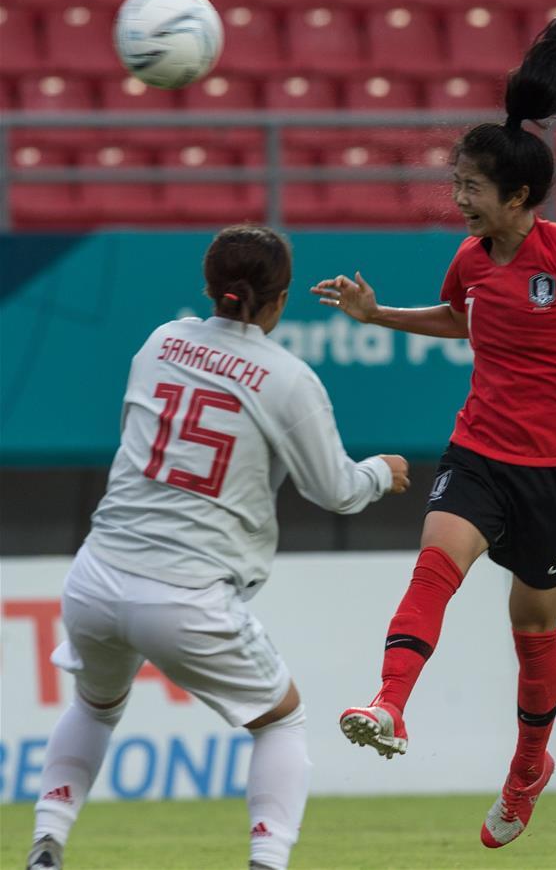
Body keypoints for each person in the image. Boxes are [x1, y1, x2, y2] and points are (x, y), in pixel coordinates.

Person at [311, 0, 556, 849]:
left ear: (519, 196)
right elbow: (461, 319)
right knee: (435, 561)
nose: (459, 201)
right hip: (480, 448)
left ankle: (527, 771)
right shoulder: (472, 260)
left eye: (472, 190)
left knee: (533, 629)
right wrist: (379, 317)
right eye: (457, 186)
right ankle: (389, 703)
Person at [26, 225, 410, 870]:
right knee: (280, 721)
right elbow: (335, 490)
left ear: (209, 289)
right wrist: (381, 471)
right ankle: (266, 863)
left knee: (94, 708)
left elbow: (136, 437)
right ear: (279, 301)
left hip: (96, 574)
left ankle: (47, 843)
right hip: (186, 593)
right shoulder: (286, 379)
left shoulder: (161, 341)